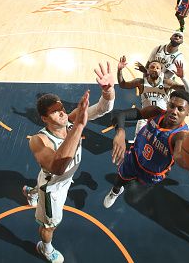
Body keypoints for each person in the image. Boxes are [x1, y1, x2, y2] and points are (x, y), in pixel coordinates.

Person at [25, 63, 115, 263]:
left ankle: (30, 192)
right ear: (44, 119)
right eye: (55, 112)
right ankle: (45, 248)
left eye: (62, 108)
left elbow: (102, 109)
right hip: (53, 187)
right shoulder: (39, 140)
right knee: (50, 225)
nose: (63, 113)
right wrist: (79, 126)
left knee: (39, 183)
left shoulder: (70, 120)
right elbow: (57, 167)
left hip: (64, 179)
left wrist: (108, 91)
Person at [103, 90, 189, 209]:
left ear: (188, 112)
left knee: (140, 186)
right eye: (172, 106)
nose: (174, 111)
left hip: (152, 173)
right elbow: (118, 113)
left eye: (180, 109)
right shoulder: (155, 112)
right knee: (120, 178)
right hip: (134, 157)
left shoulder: (181, 135)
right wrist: (120, 132)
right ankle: (115, 192)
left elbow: (179, 157)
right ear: (167, 104)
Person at [116, 55, 187, 141]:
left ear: (161, 71)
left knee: (160, 143)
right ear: (148, 70)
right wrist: (119, 70)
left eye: (158, 68)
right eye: (152, 67)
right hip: (145, 117)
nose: (155, 69)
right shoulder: (141, 82)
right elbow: (123, 84)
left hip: (162, 118)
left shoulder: (166, 83)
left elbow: (186, 89)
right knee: (138, 140)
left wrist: (183, 78)